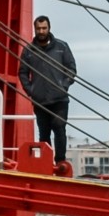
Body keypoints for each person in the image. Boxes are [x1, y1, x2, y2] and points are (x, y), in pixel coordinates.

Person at [21, 16, 76, 170]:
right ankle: (46, 164)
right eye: (39, 28)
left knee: (59, 128)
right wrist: (31, 91)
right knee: (44, 133)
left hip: (59, 99)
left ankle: (60, 163)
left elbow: (71, 69)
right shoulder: (28, 51)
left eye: (44, 28)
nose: (41, 31)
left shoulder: (62, 47)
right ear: (35, 29)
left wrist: (63, 86)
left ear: (49, 28)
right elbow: (23, 73)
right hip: (40, 99)